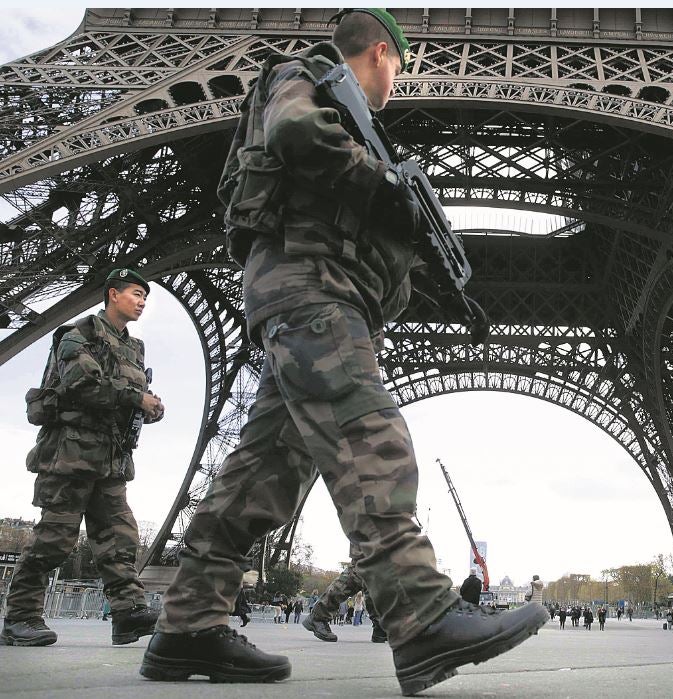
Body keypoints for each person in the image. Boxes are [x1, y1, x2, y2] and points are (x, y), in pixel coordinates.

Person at [138, 9, 546, 692]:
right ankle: (420, 614)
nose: (399, 81)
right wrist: (387, 186)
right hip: (311, 287)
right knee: (368, 431)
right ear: (382, 53)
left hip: (313, 291)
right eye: (400, 67)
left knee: (263, 472)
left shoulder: (348, 124)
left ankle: (187, 625)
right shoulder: (303, 80)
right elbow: (295, 130)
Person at [1, 269, 164, 648]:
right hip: (69, 456)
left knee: (119, 538)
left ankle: (127, 613)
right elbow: (80, 384)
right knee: (54, 541)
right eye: (136, 293)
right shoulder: (78, 335)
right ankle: (20, 617)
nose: (141, 302)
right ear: (113, 294)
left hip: (110, 459)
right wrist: (135, 398)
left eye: (145, 298)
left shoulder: (134, 348)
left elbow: (128, 397)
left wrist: (150, 408)